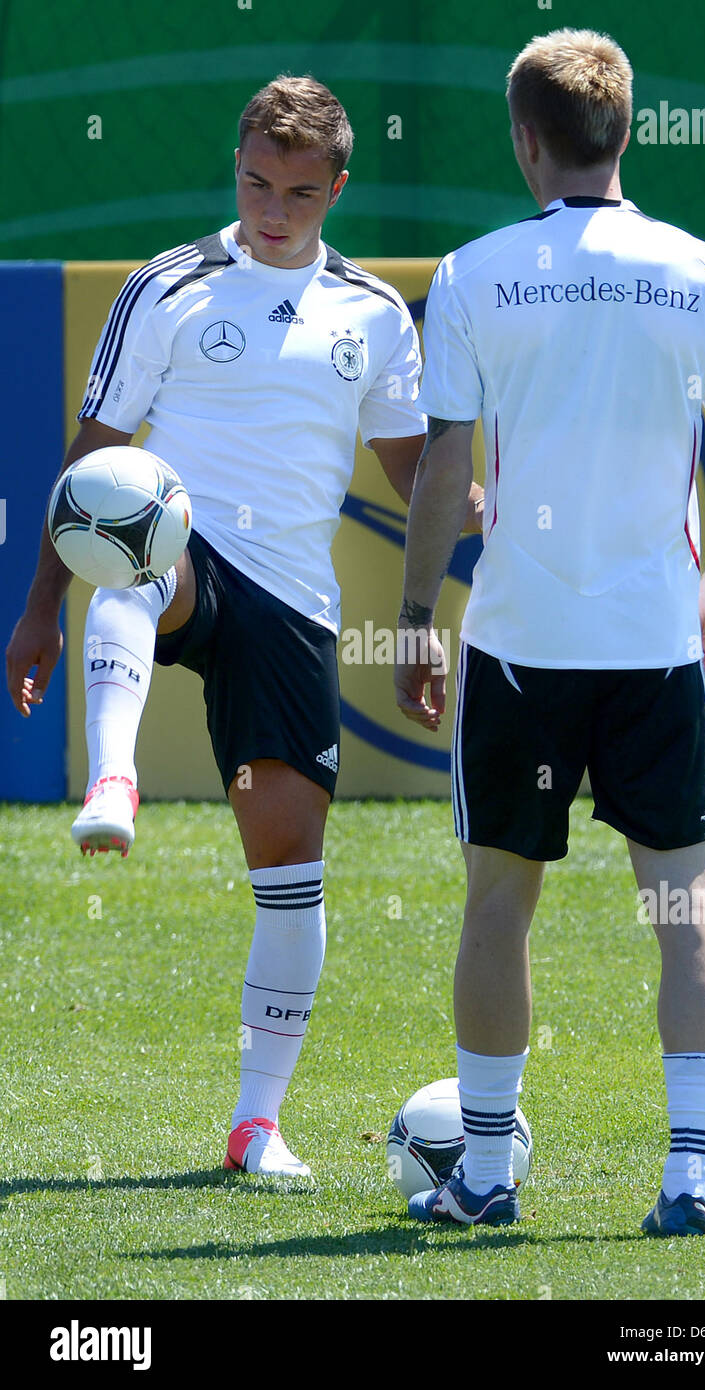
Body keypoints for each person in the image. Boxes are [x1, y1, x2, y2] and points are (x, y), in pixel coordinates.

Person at [6, 75, 482, 1180]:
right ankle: (112, 779)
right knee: (135, 521)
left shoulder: (371, 314)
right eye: (259, 184)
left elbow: (420, 480)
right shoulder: (167, 286)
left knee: (290, 867)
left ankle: (255, 1126)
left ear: (337, 188)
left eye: (301, 193)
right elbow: (89, 463)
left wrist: (471, 516)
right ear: (236, 168)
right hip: (184, 551)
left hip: (294, 603)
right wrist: (38, 607)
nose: (276, 211)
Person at [394, 28, 705, 1232]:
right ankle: (689, 1179)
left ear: (525, 138)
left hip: (520, 647)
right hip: (655, 646)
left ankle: (491, 1177)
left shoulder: (472, 273)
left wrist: (414, 622)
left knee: (499, 902)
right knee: (683, 906)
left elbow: (444, 475)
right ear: (626, 132)